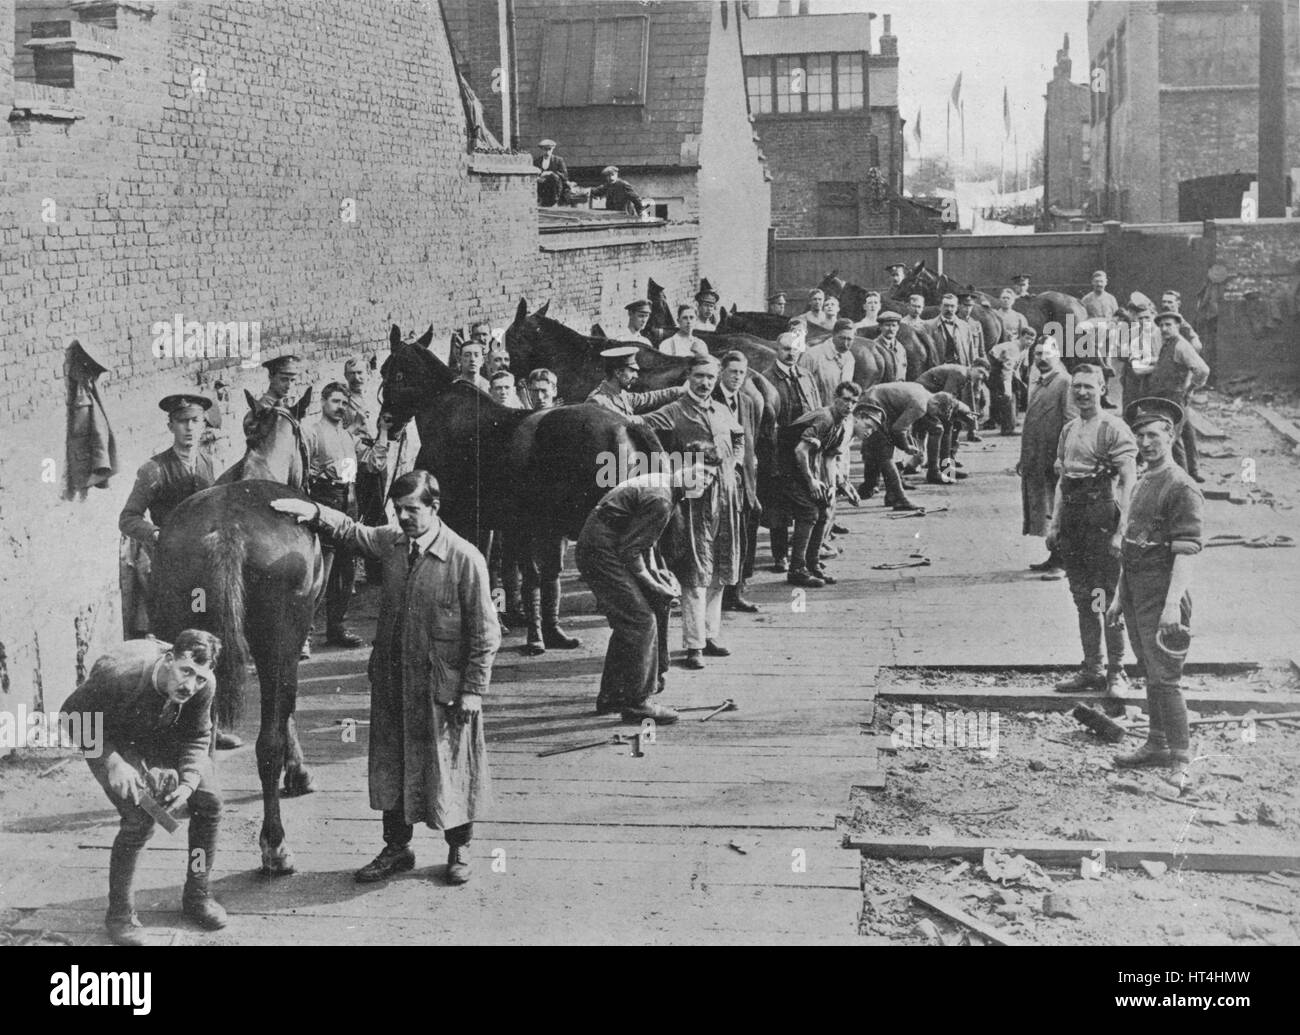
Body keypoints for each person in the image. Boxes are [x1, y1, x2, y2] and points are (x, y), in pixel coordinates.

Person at [271, 470, 499, 886]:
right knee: (393, 765)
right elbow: (352, 531)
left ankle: (458, 848)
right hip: (394, 680)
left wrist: (473, 691)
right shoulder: (393, 545)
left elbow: (486, 634)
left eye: (413, 509)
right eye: (399, 510)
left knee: (451, 765)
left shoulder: (465, 558)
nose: (405, 518)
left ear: (434, 508)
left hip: (443, 686)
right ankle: (397, 848)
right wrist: (312, 510)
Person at [60, 630, 227, 945]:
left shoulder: (203, 687)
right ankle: (120, 915)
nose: (190, 685)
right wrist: (112, 762)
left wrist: (189, 782)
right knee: (140, 817)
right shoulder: (120, 675)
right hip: (114, 738)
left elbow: (197, 736)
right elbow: (72, 717)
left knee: (210, 802)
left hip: (166, 730)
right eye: (185, 671)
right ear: (168, 660)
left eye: (200, 678)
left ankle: (198, 894)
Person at [577, 448, 720, 724]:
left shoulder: (664, 485)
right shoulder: (662, 499)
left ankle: (613, 695)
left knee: (630, 620)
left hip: (603, 545)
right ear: (683, 469)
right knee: (641, 620)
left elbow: (643, 544)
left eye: (710, 477)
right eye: (700, 472)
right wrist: (653, 585)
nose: (704, 481)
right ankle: (637, 703)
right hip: (601, 550)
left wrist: (656, 576)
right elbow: (630, 550)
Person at [1107, 398, 1204, 774]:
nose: (1146, 443)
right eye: (1140, 435)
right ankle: (1157, 743)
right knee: (1149, 671)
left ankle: (1181, 759)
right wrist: (1118, 597)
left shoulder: (1182, 487)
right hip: (1136, 592)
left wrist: (1170, 606)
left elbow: (1185, 552)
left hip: (1164, 595)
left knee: (1166, 679)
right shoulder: (1145, 481)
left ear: (1171, 435)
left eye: (1154, 435)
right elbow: (1131, 545)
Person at [642, 355, 744, 670]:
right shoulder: (673, 411)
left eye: (710, 378)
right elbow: (641, 427)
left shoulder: (722, 409)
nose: (705, 383)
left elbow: (738, 438)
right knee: (695, 571)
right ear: (689, 376)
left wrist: (735, 461)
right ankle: (694, 644)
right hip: (694, 500)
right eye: (699, 376)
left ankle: (712, 635)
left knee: (720, 570)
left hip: (725, 497)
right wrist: (678, 463)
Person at [1048, 364, 1137, 698]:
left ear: (1102, 388)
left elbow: (1129, 481)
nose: (1082, 392)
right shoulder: (1069, 429)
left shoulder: (1113, 428)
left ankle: (1117, 672)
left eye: (1089, 386)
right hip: (1073, 522)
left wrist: (1120, 532)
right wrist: (1055, 524)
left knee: (1107, 597)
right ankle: (1092, 668)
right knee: (1083, 597)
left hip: (1102, 519)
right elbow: (1062, 480)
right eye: (1077, 387)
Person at [119, 393, 218, 638]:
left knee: (203, 624)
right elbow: (128, 518)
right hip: (170, 567)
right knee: (175, 630)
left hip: (203, 563)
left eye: (195, 420)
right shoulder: (154, 469)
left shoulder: (207, 463)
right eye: (182, 421)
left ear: (204, 424)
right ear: (170, 426)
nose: (189, 427)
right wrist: (157, 535)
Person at [779, 381, 863, 588]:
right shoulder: (825, 418)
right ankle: (797, 570)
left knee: (825, 511)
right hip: (784, 467)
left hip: (806, 467)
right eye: (845, 400)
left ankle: (812, 564)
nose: (849, 405)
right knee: (809, 513)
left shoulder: (842, 424)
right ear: (835, 399)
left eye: (853, 402)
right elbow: (800, 451)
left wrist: (831, 486)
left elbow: (828, 457)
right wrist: (811, 481)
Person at [1018, 337, 1077, 579]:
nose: (1042, 358)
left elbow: (1071, 423)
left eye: (1047, 353)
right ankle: (1054, 556)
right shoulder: (1040, 382)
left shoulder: (1064, 382)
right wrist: (1024, 458)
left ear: (1058, 355)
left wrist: (1062, 457)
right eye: (1038, 354)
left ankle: (1063, 562)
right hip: (1037, 458)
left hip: (1054, 459)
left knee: (1059, 509)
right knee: (1046, 509)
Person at [763, 331, 822, 571]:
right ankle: (780, 556)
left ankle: (804, 554)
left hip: (806, 447)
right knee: (778, 506)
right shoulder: (766, 378)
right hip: (780, 448)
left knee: (807, 500)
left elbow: (817, 408)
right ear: (777, 349)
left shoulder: (806, 375)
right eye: (786, 349)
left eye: (795, 350)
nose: (791, 354)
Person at [714, 351, 764, 613]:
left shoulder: (746, 401)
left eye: (741, 373)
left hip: (744, 478)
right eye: (733, 371)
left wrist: (751, 481)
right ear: (722, 371)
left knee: (747, 528)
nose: (737, 377)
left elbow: (750, 441)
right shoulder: (711, 399)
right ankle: (718, 593)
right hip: (719, 478)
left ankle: (737, 590)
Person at [1147, 311, 1210, 479]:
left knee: (1170, 440)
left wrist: (1190, 389)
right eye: (1161, 325)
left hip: (1172, 399)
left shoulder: (1181, 345)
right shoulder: (1168, 343)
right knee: (1187, 433)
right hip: (1167, 397)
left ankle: (1181, 479)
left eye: (1168, 325)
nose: (1164, 328)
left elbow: (1202, 370)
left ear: (1177, 326)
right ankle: (1193, 472)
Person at [859, 381, 938, 511]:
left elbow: (901, 423)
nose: (934, 416)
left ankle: (881, 491)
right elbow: (898, 429)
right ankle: (898, 497)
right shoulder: (921, 405)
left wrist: (905, 442)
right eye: (937, 412)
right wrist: (906, 447)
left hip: (875, 400)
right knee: (884, 451)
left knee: (879, 445)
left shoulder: (924, 392)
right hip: (873, 403)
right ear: (936, 403)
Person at [918, 360, 988, 480]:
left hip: (931, 399)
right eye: (980, 371)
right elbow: (947, 397)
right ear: (972, 367)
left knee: (948, 426)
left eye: (984, 376)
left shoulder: (965, 376)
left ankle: (946, 470)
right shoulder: (960, 373)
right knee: (939, 429)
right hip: (921, 399)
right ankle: (934, 471)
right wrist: (963, 411)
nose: (980, 376)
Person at [586, 346, 685, 418]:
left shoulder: (622, 395)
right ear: (618, 373)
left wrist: (680, 391)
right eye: (632, 371)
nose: (636, 376)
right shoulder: (597, 401)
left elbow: (650, 397)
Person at [924, 293, 978, 367]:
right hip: (939, 370)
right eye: (946, 305)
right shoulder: (929, 326)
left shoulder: (965, 327)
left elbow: (971, 353)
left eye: (952, 306)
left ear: (957, 308)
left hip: (961, 369)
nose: (949, 309)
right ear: (940, 307)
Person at [535, 139, 569, 206]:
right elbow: (534, 175)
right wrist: (538, 178)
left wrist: (551, 173)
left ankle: (555, 202)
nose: (547, 152)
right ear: (541, 150)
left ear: (553, 149)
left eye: (549, 149)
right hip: (542, 188)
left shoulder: (558, 160)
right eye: (545, 149)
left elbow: (565, 176)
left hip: (555, 189)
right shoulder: (537, 161)